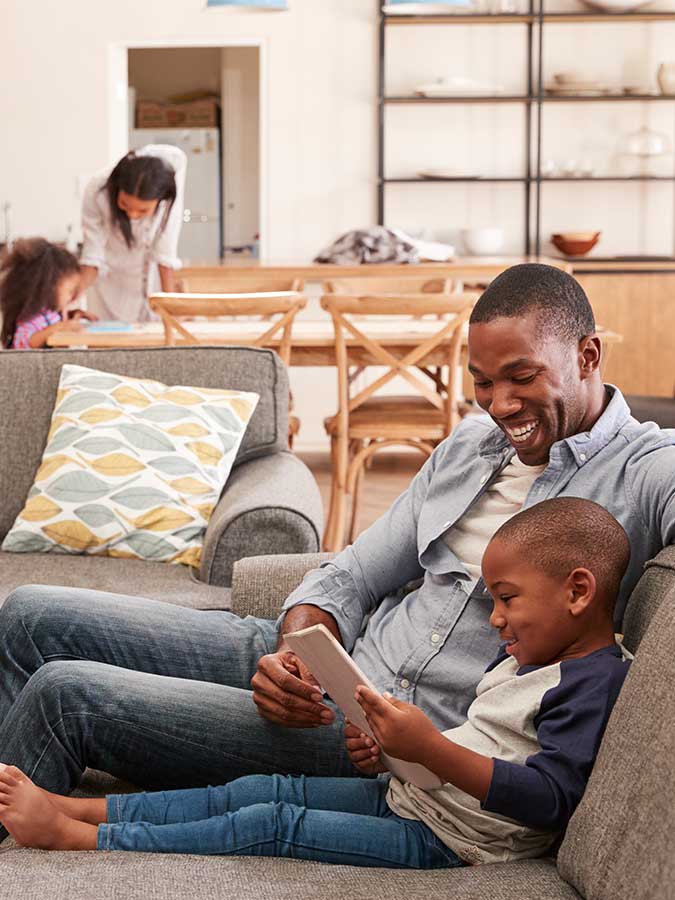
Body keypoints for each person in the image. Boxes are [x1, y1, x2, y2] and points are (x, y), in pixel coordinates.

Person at [0, 263, 673, 814]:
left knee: (68, 694)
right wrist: (298, 648)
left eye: (522, 378)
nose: (499, 406)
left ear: (587, 356)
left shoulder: (643, 470)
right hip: (328, 663)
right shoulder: (472, 446)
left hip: (384, 737)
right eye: (483, 383)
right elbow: (351, 575)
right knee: (27, 613)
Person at [0, 498, 632, 868]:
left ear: (578, 591)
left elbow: (550, 798)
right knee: (258, 790)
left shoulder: (592, 682)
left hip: (447, 838)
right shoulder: (531, 655)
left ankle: (84, 836)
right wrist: (390, 753)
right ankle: (81, 805)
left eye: (505, 600)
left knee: (271, 821)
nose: (492, 618)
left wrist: (426, 747)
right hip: (412, 790)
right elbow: (352, 572)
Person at [78, 145, 186, 322]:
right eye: (124, 205)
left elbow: (165, 252)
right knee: (107, 339)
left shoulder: (169, 190)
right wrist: (73, 296)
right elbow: (92, 253)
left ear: (160, 201)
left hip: (148, 280)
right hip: (108, 280)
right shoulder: (97, 189)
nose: (132, 215)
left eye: (143, 211)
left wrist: (172, 306)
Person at [0, 237, 92, 349]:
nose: (72, 297)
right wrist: (59, 327)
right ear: (48, 288)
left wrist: (74, 315)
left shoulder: (50, 313)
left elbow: (54, 322)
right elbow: (26, 342)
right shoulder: (30, 318)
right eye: (69, 292)